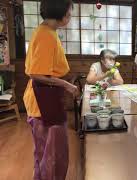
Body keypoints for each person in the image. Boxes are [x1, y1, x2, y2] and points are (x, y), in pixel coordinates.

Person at [23, 0, 79, 179]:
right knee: (53, 155)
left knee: (43, 153)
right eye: (69, 14)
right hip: (44, 101)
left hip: (42, 98)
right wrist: (67, 85)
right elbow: (35, 74)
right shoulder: (46, 35)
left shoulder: (45, 31)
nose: (69, 18)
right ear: (60, 14)